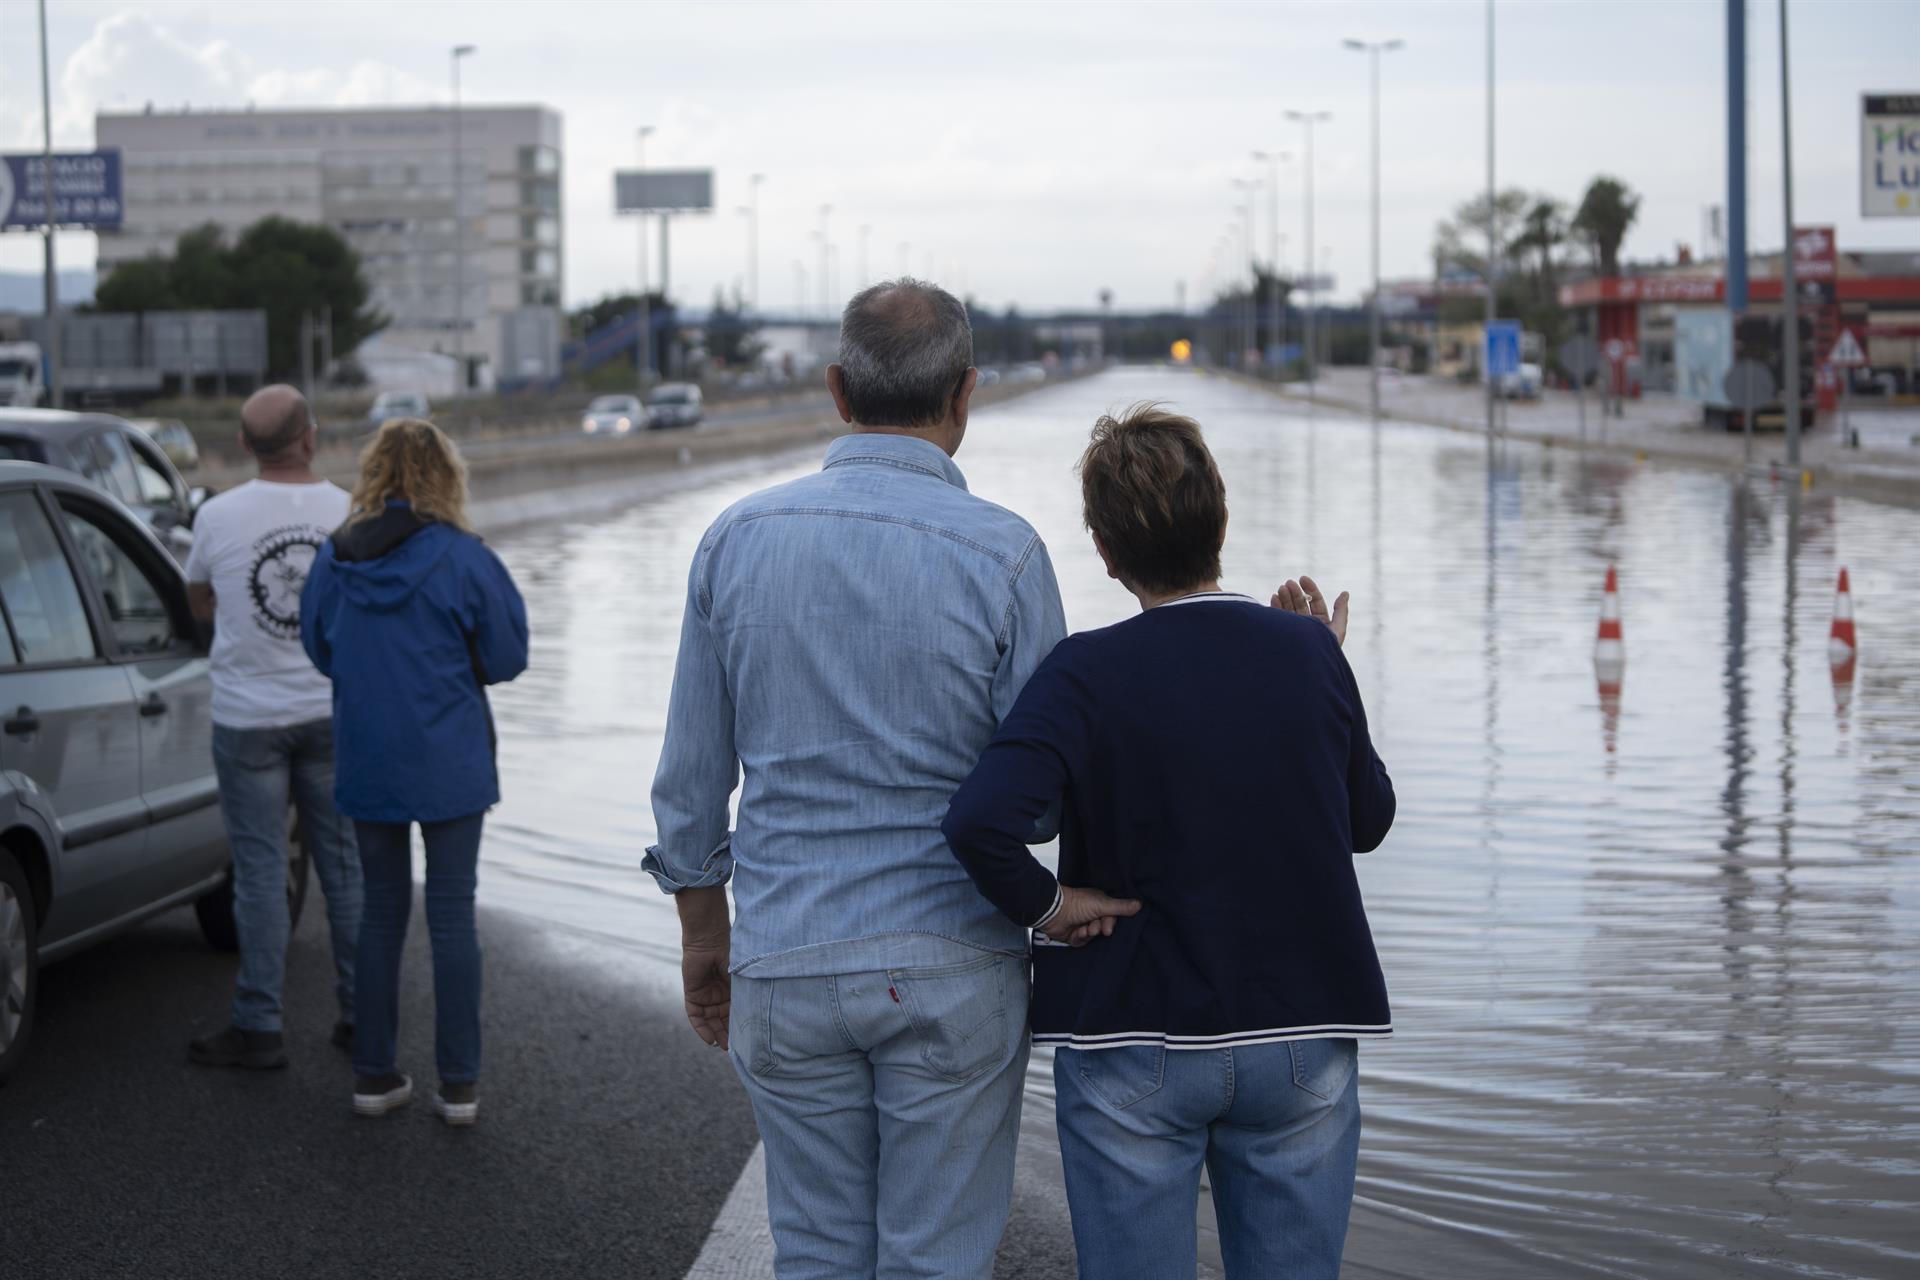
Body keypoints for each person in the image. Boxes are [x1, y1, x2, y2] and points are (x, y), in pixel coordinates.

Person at [647, 279, 1135, 1279]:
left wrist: (706, 934)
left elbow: (692, 779)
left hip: (785, 953)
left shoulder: (735, 540)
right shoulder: (1004, 554)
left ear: (835, 387)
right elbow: (1038, 798)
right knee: (936, 1260)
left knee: (818, 1251)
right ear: (966, 394)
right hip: (953, 965)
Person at [942, 404, 1397, 1280]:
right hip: (1301, 1034)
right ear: (1219, 518)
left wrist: (1050, 906)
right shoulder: (1308, 655)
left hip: (1131, 1035)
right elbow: (1367, 823)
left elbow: (979, 822)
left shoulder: (1082, 671)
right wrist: (1324, 669)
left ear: (1106, 554)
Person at [299, 418, 528, 1125]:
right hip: (451, 757)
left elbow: (318, 645)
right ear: (445, 476)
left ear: (375, 474)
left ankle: (374, 1075)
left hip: (369, 753)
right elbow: (509, 655)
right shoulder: (463, 557)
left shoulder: (334, 559)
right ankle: (458, 1085)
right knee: (452, 914)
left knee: (380, 912)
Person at [186, 384, 361, 1071]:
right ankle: (359, 1015)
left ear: (243, 446)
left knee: (259, 874)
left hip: (247, 719)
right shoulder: (349, 511)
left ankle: (258, 1023)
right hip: (329, 713)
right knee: (344, 870)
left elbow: (198, 598)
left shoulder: (216, 515)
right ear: (311, 438)